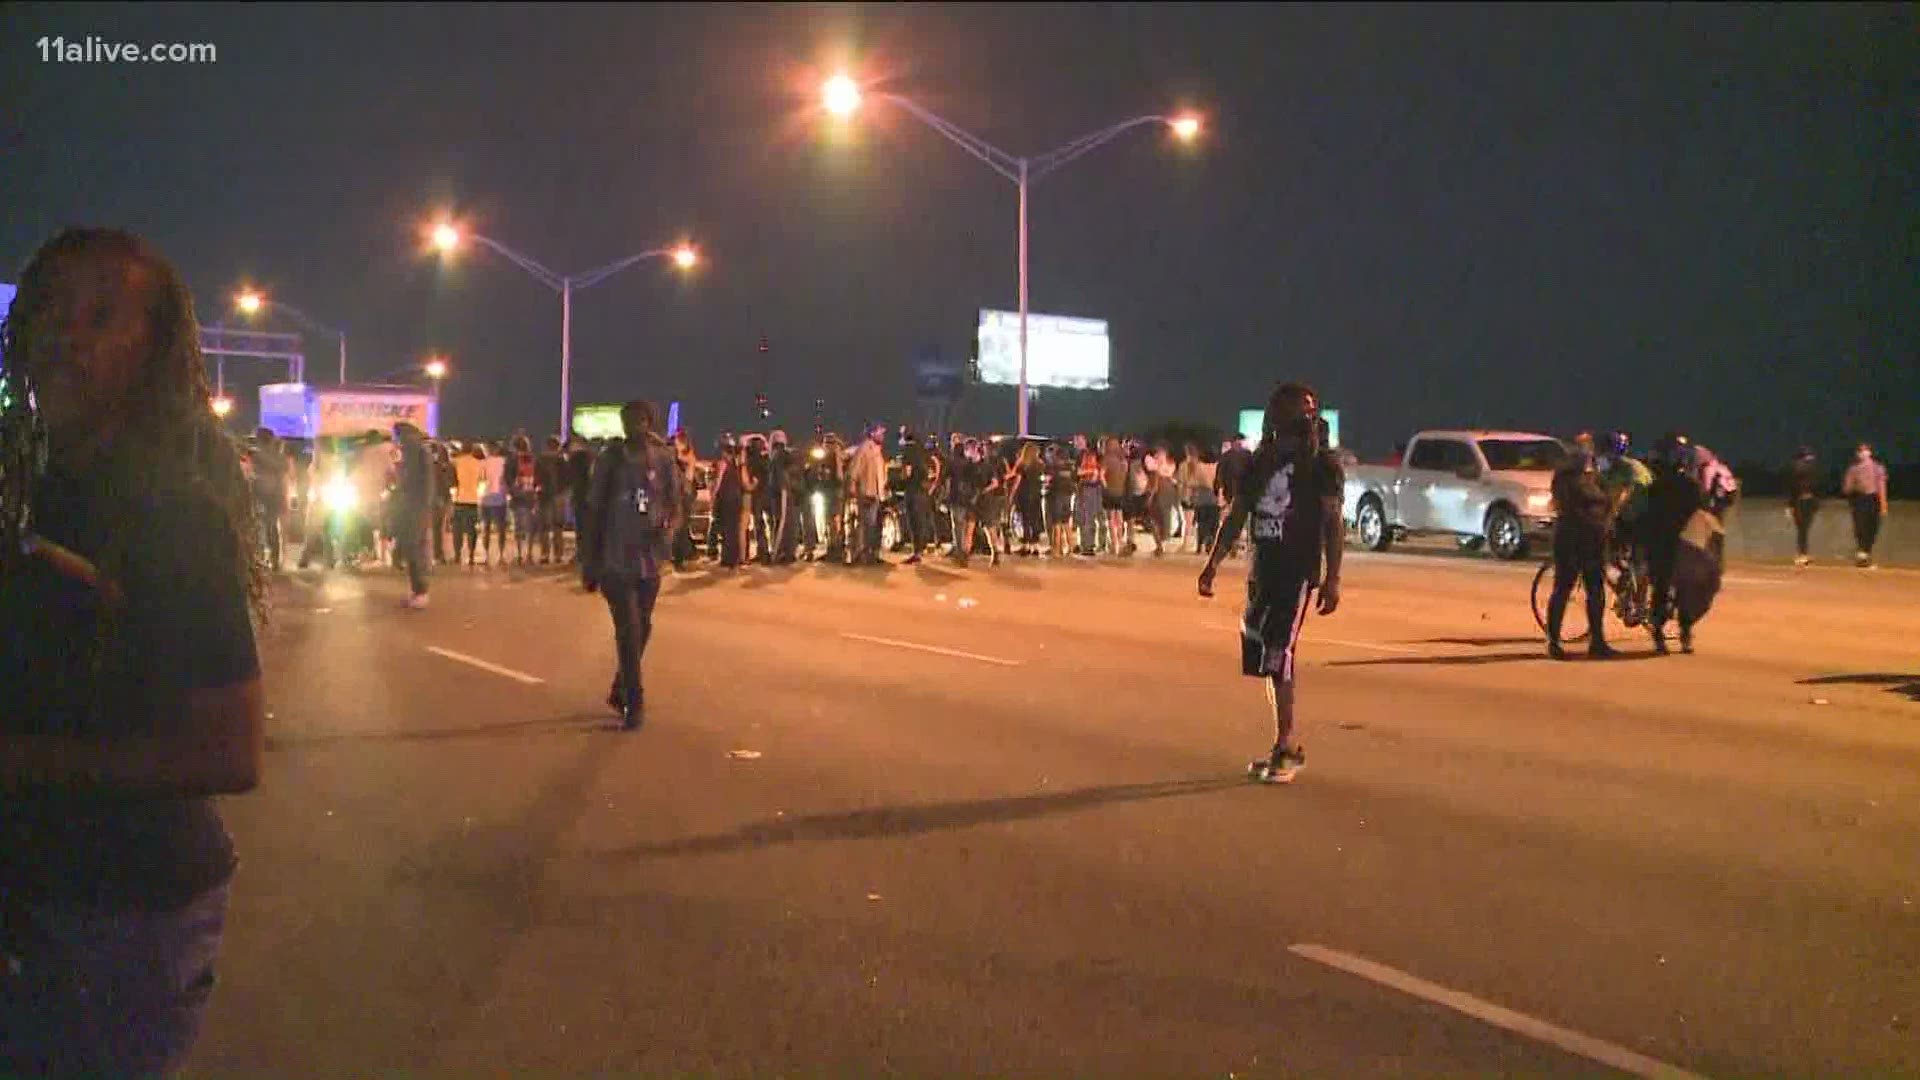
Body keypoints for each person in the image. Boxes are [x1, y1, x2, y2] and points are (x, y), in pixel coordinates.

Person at [0, 227, 266, 1075]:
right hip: (42, 895)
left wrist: (24, 761)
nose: (66, 335)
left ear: (148, 351)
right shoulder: (43, 488)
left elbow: (231, 749)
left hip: (127, 915)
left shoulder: (170, 515)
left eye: (100, 317)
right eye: (51, 312)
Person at [1197, 382, 1344, 785]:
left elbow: (1333, 524)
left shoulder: (1321, 466)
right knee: (1266, 657)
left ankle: (1286, 746)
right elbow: (1237, 516)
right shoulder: (1260, 463)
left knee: (1281, 656)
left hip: (1296, 572)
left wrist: (1332, 579)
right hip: (1262, 571)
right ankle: (1284, 743)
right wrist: (1213, 565)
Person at [580, 399, 682, 731]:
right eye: (627, 421)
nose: (633, 426)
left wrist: (667, 530)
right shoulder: (611, 459)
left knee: (644, 626)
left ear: (649, 422)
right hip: (615, 558)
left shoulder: (664, 459)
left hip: (650, 559)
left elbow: (675, 502)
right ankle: (634, 702)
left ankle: (620, 687)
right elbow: (593, 511)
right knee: (628, 630)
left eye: (639, 420)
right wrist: (590, 561)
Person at [1545, 436, 1617, 660]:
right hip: (1571, 538)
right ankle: (1553, 641)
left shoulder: (1592, 477)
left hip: (1593, 540)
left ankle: (1597, 641)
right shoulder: (1565, 478)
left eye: (1588, 450)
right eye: (1581, 450)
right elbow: (1570, 505)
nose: (1585, 454)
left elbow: (1606, 502)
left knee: (1596, 590)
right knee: (1563, 588)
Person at [1644, 434, 1705, 654]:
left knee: (1665, 588)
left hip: (1669, 542)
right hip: (1674, 542)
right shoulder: (1685, 485)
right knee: (1679, 589)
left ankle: (1664, 632)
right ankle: (1678, 632)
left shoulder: (1659, 486)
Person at [391, 422, 433, 609]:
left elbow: (415, 481)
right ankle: (417, 591)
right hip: (416, 506)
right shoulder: (415, 450)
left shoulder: (414, 451)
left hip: (414, 507)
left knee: (414, 548)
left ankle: (421, 592)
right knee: (413, 547)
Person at [1840, 443, 1889, 568]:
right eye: (1861, 451)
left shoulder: (1878, 468)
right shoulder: (1854, 469)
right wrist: (1852, 488)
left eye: (1865, 450)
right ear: (1858, 453)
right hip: (1859, 499)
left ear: (1870, 452)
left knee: (1872, 527)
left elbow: (1882, 487)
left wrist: (1883, 504)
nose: (1863, 453)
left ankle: (1865, 553)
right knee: (1860, 526)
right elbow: (1847, 488)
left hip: (1873, 499)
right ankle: (1862, 554)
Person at [249, 427, 289, 572]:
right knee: (267, 527)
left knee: (266, 527)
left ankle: (267, 559)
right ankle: (269, 559)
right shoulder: (275, 455)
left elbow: (281, 467)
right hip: (268, 495)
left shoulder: (259, 453)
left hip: (265, 495)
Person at [848, 425, 888, 565]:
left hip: (877, 493)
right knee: (865, 525)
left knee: (872, 525)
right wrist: (853, 487)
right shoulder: (865, 449)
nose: (882, 436)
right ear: (872, 434)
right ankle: (860, 554)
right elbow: (855, 469)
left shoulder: (878, 451)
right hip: (867, 491)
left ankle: (870, 554)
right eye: (880, 433)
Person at [1784, 446, 1820, 567]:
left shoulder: (1812, 472)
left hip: (1807, 501)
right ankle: (1802, 554)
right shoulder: (1799, 471)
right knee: (1802, 529)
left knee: (1803, 529)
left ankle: (1803, 553)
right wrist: (1790, 505)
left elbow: (1816, 487)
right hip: (1800, 501)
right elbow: (1793, 488)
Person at [451, 443, 483, 567]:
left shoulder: (456, 462)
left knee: (457, 530)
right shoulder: (478, 464)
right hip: (473, 500)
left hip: (459, 499)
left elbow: (453, 480)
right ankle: (471, 555)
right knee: (471, 530)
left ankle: (457, 555)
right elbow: (481, 481)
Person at [478, 441, 508, 566]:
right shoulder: (504, 462)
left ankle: (486, 555)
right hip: (500, 496)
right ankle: (501, 555)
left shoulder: (483, 463)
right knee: (501, 528)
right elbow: (505, 479)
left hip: (486, 496)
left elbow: (481, 479)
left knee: (486, 527)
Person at [1074, 435, 1103, 557]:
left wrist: (1082, 472)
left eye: (1078, 440)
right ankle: (1085, 544)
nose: (1076, 442)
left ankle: (1088, 546)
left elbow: (1094, 471)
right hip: (1085, 488)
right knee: (1082, 518)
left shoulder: (1088, 455)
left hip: (1088, 489)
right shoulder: (1081, 455)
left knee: (1087, 518)